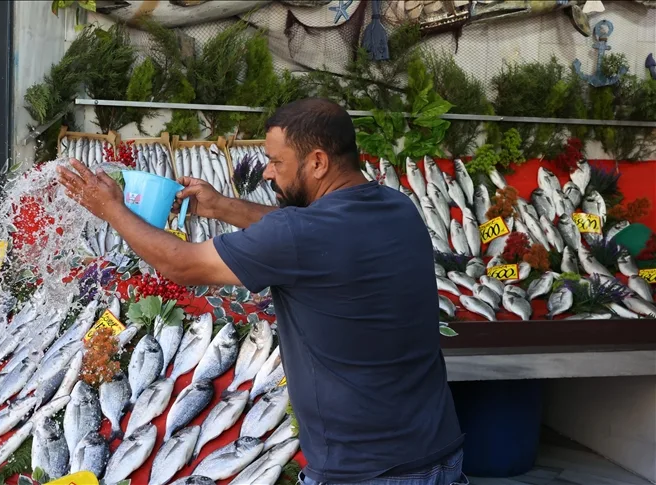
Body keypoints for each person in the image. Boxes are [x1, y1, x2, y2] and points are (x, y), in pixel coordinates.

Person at [57, 98, 466, 485]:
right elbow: (306, 232)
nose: (268, 173)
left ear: (318, 162)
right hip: (437, 448)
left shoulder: (302, 234)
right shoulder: (395, 207)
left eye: (276, 162)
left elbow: (180, 263)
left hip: (368, 469)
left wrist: (110, 208)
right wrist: (220, 207)